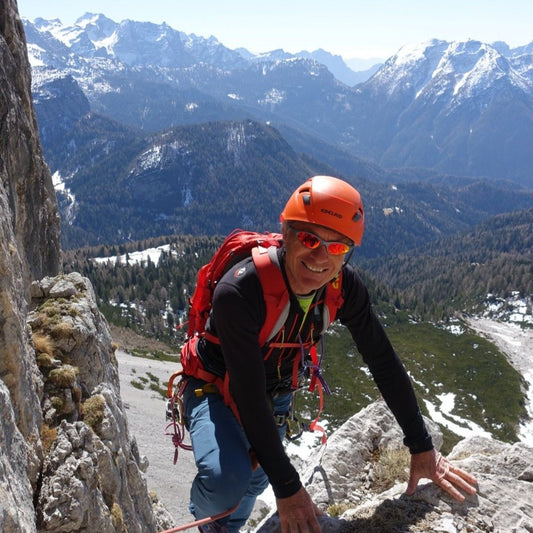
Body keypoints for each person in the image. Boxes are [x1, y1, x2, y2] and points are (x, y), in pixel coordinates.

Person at [182, 175, 477, 533]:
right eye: (309, 239)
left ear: (349, 252)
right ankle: (207, 520)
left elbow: (382, 361)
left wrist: (421, 447)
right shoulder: (241, 290)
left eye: (337, 248)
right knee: (227, 478)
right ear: (286, 232)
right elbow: (246, 392)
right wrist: (289, 488)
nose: (321, 257)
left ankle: (229, 528)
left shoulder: (343, 287)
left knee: (256, 478)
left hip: (275, 393)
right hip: (213, 385)